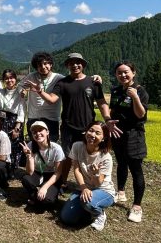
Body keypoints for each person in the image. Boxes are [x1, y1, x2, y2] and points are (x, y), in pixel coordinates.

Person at [32, 53, 120, 184]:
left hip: (89, 128)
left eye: (78, 62)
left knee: (89, 155)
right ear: (67, 65)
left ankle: (90, 182)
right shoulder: (63, 83)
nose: (75, 65)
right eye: (71, 63)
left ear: (83, 65)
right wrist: (40, 92)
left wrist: (107, 119)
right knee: (67, 156)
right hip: (68, 126)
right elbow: (52, 99)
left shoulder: (92, 82)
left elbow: (101, 102)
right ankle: (62, 182)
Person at [110, 60, 149, 223]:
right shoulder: (116, 90)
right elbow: (113, 110)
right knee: (121, 163)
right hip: (118, 133)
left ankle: (137, 206)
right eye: (119, 73)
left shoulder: (140, 91)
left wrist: (134, 98)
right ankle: (121, 192)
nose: (123, 75)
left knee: (136, 169)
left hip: (134, 135)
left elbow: (141, 115)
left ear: (133, 73)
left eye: (126, 72)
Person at [60, 121, 115, 231]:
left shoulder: (106, 157)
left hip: (103, 190)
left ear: (103, 138)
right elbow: (76, 169)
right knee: (67, 218)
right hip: (84, 187)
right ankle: (87, 209)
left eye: (98, 133)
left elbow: (98, 183)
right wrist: (84, 188)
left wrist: (96, 173)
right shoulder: (77, 146)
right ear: (86, 131)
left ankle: (99, 214)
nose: (92, 135)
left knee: (88, 203)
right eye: (91, 130)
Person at [20, 121, 64, 206]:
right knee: (26, 179)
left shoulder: (56, 148)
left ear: (47, 132)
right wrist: (29, 156)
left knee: (47, 201)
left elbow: (58, 172)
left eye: (40, 130)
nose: (38, 133)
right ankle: (36, 196)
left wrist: (44, 187)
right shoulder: (30, 145)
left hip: (52, 175)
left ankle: (41, 196)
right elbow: (30, 172)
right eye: (35, 132)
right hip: (37, 173)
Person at [21, 52, 63, 143]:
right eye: (39, 65)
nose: (43, 67)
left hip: (51, 119)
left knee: (51, 146)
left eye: (45, 63)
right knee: (34, 146)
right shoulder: (31, 76)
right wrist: (23, 91)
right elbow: (20, 87)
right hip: (33, 117)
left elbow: (74, 81)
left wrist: (93, 78)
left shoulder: (59, 78)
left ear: (51, 64)